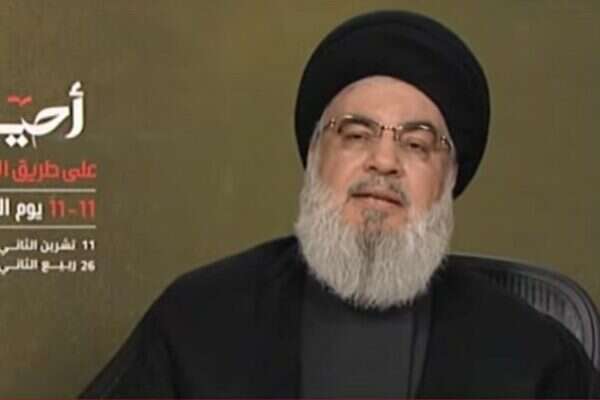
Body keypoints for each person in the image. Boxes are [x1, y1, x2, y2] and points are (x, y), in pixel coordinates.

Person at [81, 10, 599, 398]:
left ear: (448, 179)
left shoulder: (534, 357)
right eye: (355, 134)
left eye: (417, 144)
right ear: (314, 157)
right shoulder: (197, 320)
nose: (384, 161)